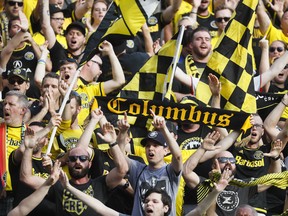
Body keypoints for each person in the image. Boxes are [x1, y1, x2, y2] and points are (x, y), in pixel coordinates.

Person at [122, 110, 182, 216]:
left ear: (166, 150)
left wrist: (163, 128)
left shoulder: (170, 171)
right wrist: (122, 133)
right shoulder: (138, 169)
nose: (151, 149)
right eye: (148, 145)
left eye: (156, 145)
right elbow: (118, 156)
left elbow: (177, 156)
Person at [0, 90, 29, 215]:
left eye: (11, 104)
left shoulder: (31, 133)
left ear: (22, 110)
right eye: (5, 104)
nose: (6, 107)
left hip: (22, 194)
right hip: (2, 192)